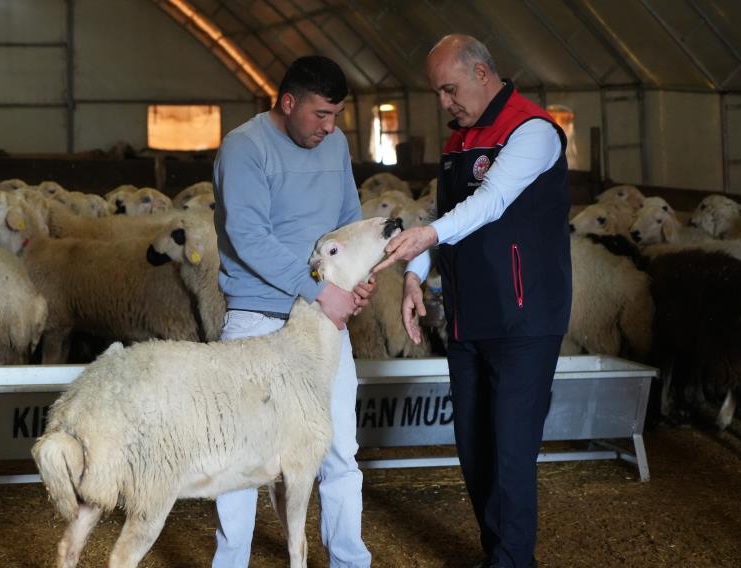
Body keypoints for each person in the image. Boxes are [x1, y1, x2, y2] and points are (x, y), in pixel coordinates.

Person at [373, 35, 572, 568]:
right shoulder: (460, 140)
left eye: (449, 89)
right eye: (438, 92)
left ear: (482, 74)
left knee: (510, 452)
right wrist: (417, 275)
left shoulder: (532, 130)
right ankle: (498, 555)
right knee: (475, 449)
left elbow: (490, 202)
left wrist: (428, 240)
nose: (444, 103)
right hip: (468, 316)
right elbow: (443, 215)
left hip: (523, 317)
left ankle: (511, 562)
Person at [211, 55, 374, 568]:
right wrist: (321, 291)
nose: (330, 127)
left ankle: (349, 561)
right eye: (320, 115)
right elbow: (249, 236)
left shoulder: (337, 145)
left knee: (338, 449)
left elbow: (349, 221)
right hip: (259, 318)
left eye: (336, 116)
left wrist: (358, 278)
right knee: (243, 452)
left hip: (324, 323)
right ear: (288, 102)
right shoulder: (245, 147)